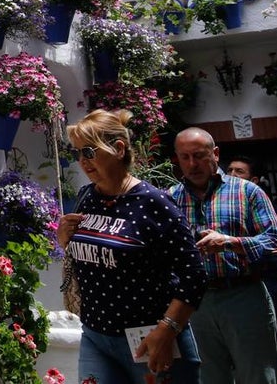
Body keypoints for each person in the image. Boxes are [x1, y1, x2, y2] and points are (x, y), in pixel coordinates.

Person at [58, 109, 206, 383]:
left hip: (150, 339)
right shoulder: (86, 197)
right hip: (96, 336)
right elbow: (93, 253)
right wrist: (65, 239)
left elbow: (193, 274)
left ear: (118, 148)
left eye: (89, 152)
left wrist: (167, 329)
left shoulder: (154, 203)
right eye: (78, 153)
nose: (82, 161)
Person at [169, 128, 277, 384]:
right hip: (194, 302)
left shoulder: (247, 192)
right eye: (185, 157)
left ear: (215, 154)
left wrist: (231, 242)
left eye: (199, 155)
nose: (192, 164)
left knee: (258, 376)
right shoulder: (170, 198)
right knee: (206, 378)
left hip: (243, 295)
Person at [226, 155, 277, 384]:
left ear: (254, 179)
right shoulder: (226, 201)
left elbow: (276, 242)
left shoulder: (256, 199)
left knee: (273, 341)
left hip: (266, 278)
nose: (232, 175)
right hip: (239, 285)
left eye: (240, 171)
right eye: (229, 170)